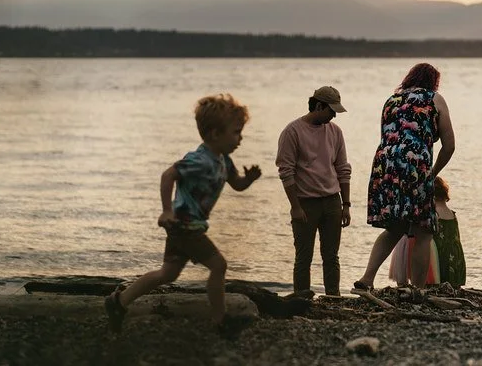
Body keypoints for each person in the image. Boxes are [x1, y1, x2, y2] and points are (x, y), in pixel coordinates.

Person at [104, 94, 262, 334]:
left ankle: (119, 302)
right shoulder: (199, 159)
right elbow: (169, 175)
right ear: (214, 134)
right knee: (218, 265)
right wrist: (167, 210)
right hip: (185, 226)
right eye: (236, 132)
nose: (240, 138)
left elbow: (237, 185)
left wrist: (248, 180)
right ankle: (221, 321)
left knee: (167, 274)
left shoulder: (224, 160)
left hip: (187, 226)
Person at [354, 62, 455, 290]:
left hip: (384, 166)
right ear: (433, 82)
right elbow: (449, 145)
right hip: (414, 165)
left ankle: (367, 279)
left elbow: (390, 134)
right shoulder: (434, 98)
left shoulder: (391, 100)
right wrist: (432, 173)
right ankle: (418, 290)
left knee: (395, 227)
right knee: (424, 230)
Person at [276, 86, 352, 296]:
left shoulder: (335, 132)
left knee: (331, 256)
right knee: (303, 257)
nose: (334, 115)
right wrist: (295, 207)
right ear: (319, 106)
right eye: (331, 111)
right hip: (305, 203)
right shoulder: (292, 131)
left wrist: (346, 204)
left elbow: (343, 169)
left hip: (332, 202)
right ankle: (301, 299)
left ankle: (333, 297)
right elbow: (286, 171)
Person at [388, 177, 465, 288]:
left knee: (407, 240)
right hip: (453, 255)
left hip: (435, 255)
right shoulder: (452, 214)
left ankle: (408, 283)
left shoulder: (433, 213)